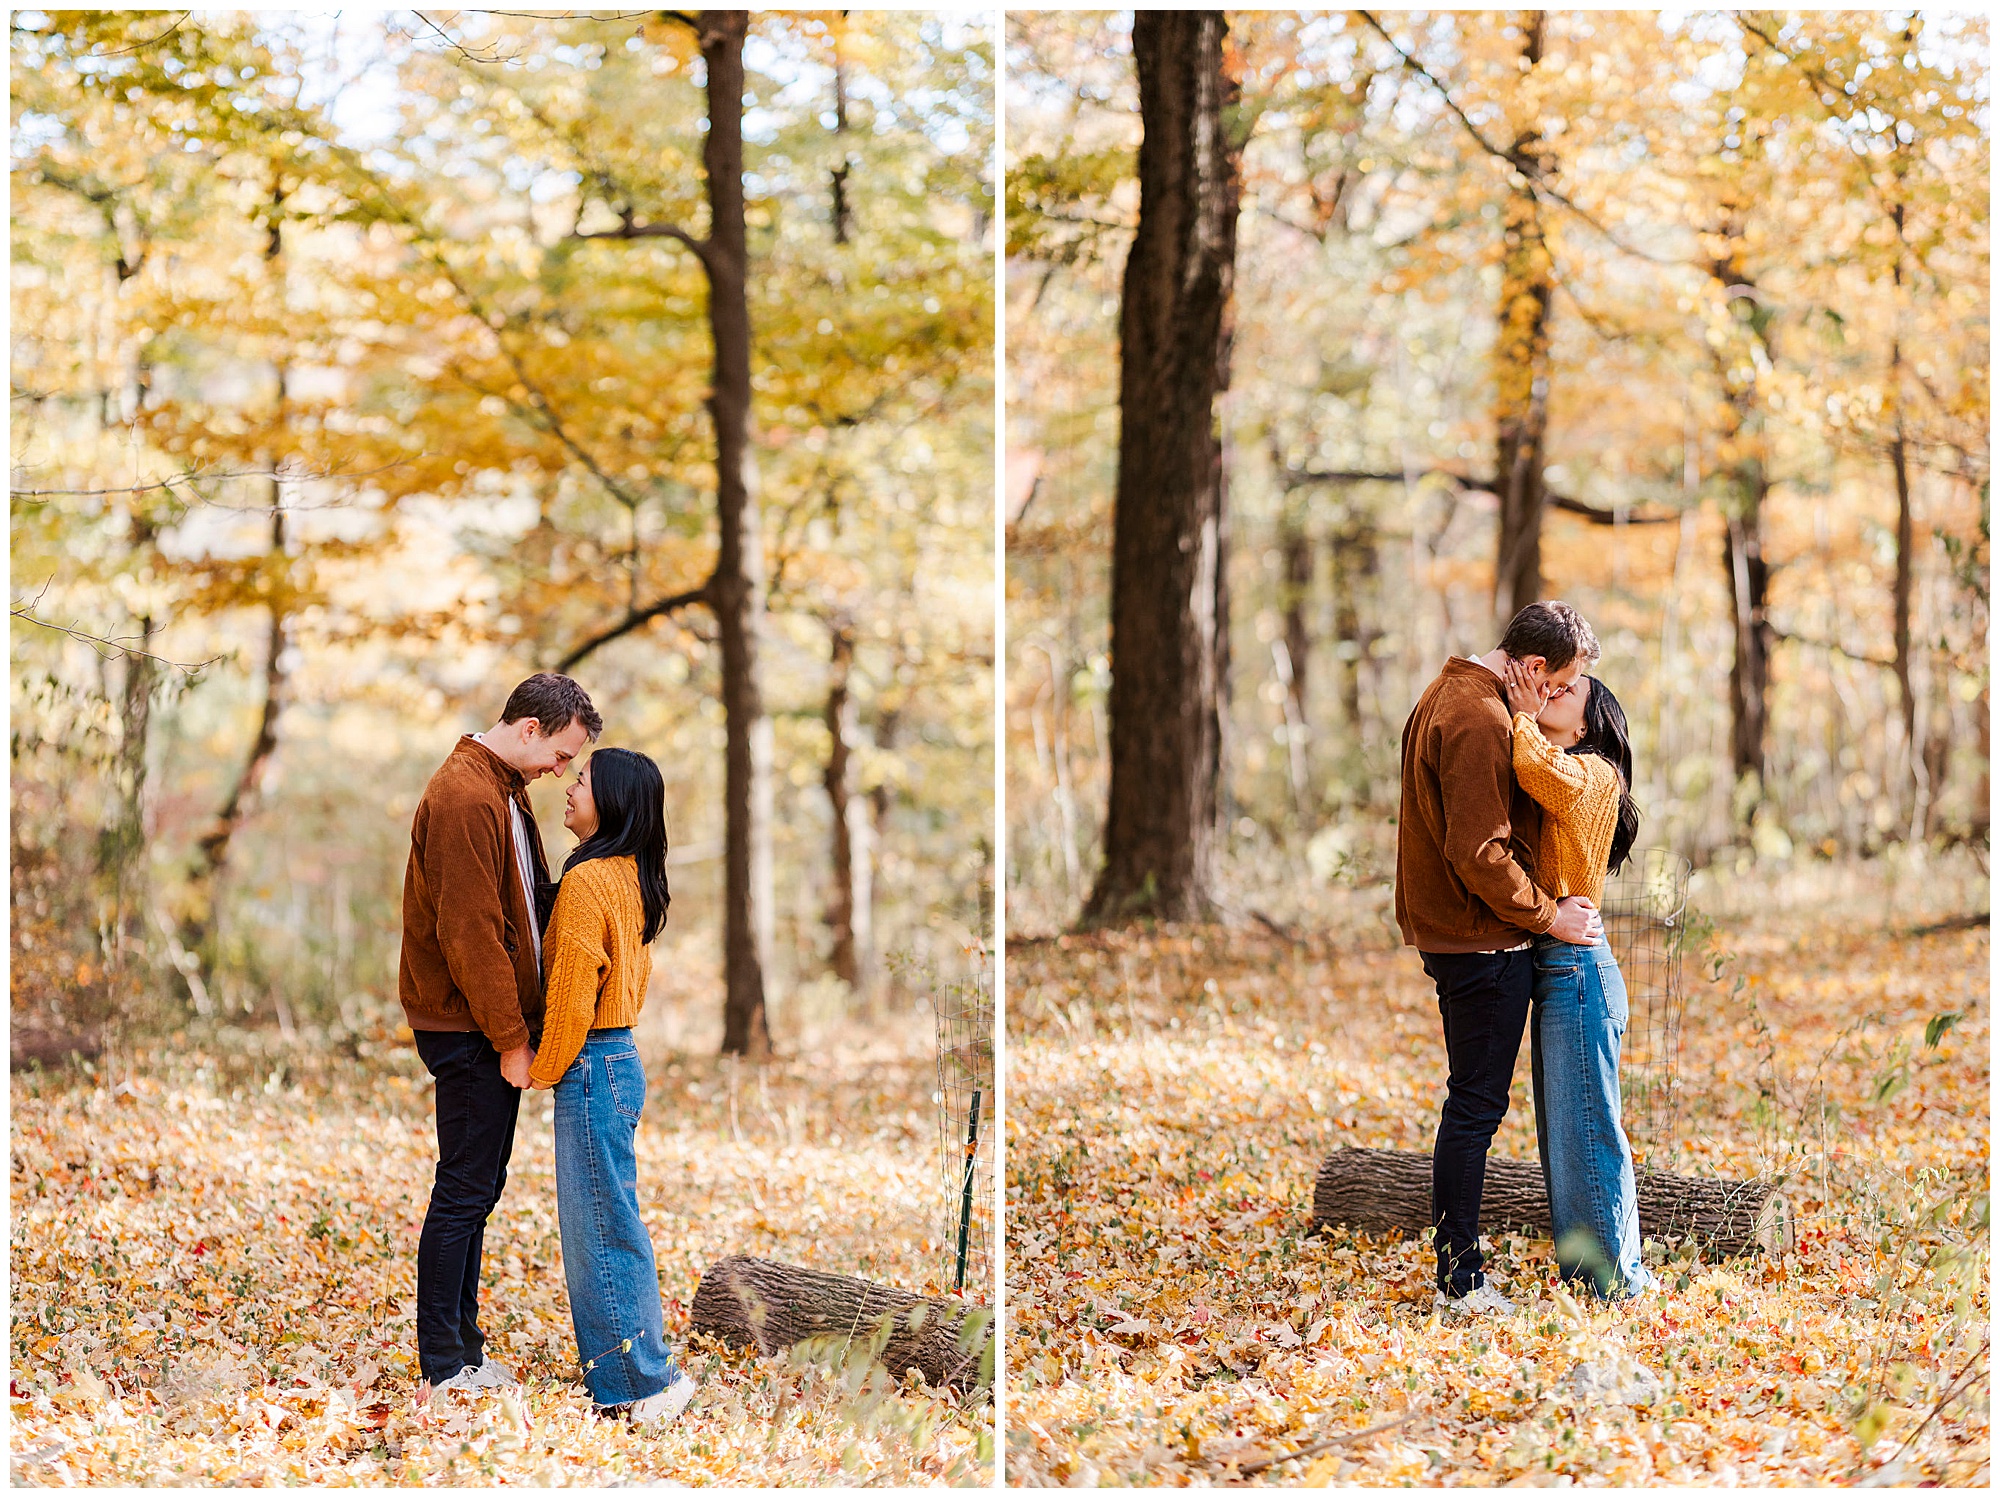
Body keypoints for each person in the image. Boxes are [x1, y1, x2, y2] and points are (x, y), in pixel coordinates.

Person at [1395, 601, 1604, 1316]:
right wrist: (1549, 915)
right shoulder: (1479, 718)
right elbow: (1478, 852)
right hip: (1482, 939)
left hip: (1461, 934)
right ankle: (1460, 1281)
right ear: (1536, 669)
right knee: (1476, 1108)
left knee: (1472, 1103)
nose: (1556, 700)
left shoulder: (1446, 691)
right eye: (1561, 683)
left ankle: (1460, 1272)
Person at [399, 672, 601, 1399]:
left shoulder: (502, 790)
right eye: (559, 755)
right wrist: (512, 1038)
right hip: (466, 1026)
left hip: (485, 1022)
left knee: (480, 1186)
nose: (560, 773)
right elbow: (472, 937)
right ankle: (444, 1365)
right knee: (462, 1189)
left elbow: (517, 909)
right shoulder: (464, 797)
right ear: (530, 730)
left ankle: (466, 1348)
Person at [528, 747, 698, 1426]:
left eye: (583, 781)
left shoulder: (591, 880)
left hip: (594, 1063)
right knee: (611, 1224)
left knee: (601, 1229)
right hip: (618, 1058)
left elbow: (572, 994)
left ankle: (642, 1386)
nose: (569, 787)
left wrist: (539, 1068)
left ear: (615, 804)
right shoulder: (629, 875)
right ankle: (637, 1376)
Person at [1504, 659, 1656, 1301]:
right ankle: (1593, 1277)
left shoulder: (1597, 774)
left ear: (1590, 723)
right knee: (1567, 1135)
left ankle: (1618, 1282)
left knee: (1590, 1130)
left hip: (1580, 973)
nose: (1553, 692)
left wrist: (1518, 709)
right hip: (1559, 968)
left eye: (1568, 691)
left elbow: (1535, 767)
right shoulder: (1566, 770)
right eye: (1552, 683)